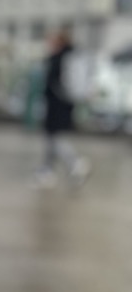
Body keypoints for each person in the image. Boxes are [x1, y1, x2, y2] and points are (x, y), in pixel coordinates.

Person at [32, 28, 90, 188]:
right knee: (51, 138)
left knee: (54, 138)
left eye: (52, 40)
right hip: (63, 103)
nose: (49, 43)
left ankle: (75, 163)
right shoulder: (69, 56)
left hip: (58, 104)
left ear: (59, 41)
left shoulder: (59, 58)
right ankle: (47, 170)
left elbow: (52, 83)